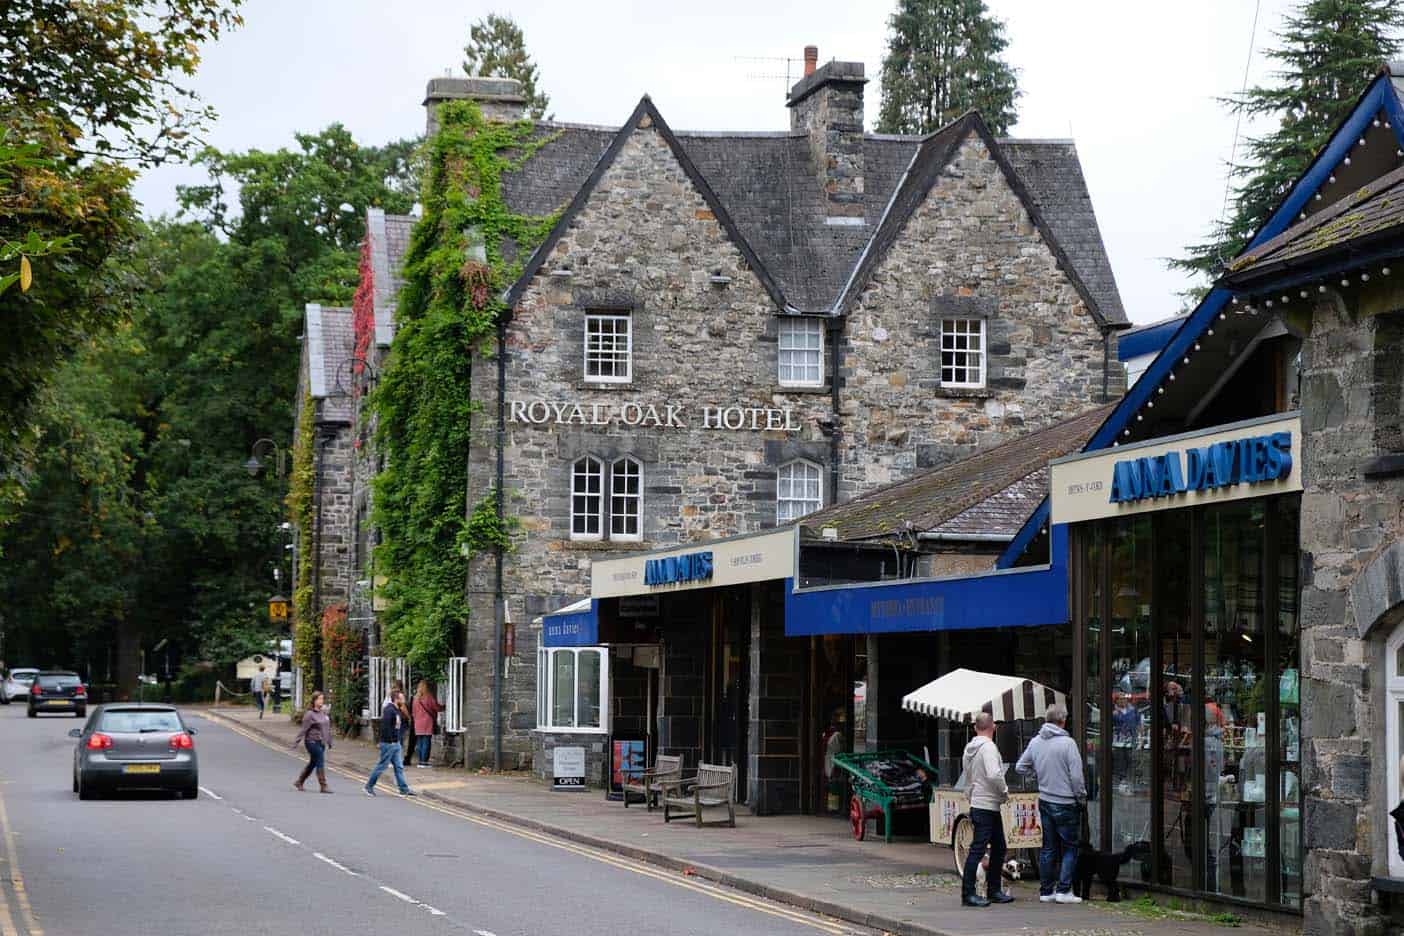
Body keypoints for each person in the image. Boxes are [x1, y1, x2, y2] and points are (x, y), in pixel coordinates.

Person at [1015, 704, 1087, 904]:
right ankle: (1064, 890)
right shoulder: (1068, 743)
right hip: (1065, 802)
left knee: (1048, 848)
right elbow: (1077, 778)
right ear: (1063, 720)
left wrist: (1036, 774)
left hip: (1045, 800)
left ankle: (1046, 891)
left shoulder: (1036, 741)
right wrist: (1081, 797)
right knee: (1070, 847)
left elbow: (1021, 766)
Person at [960, 712, 1013, 908]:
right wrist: (1005, 791)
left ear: (975, 728)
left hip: (979, 802)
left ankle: (993, 890)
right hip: (987, 804)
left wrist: (971, 793)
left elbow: (967, 774)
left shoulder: (969, 748)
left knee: (999, 847)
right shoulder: (989, 748)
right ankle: (969, 894)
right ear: (994, 726)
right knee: (979, 850)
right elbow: (994, 774)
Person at [365, 688, 415, 797]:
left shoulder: (397, 709)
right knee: (382, 766)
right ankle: (369, 786)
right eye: (402, 698)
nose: (404, 700)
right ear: (396, 699)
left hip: (395, 743)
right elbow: (385, 727)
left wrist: (396, 741)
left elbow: (396, 726)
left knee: (399, 766)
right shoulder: (389, 710)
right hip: (389, 744)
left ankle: (404, 789)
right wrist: (391, 741)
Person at [291, 691, 333, 793]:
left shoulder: (323, 713)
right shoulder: (309, 714)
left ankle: (299, 781)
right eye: (319, 699)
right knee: (320, 761)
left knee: (313, 763)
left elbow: (326, 728)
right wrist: (296, 742)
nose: (321, 701)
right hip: (311, 742)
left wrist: (329, 741)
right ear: (314, 701)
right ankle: (323, 785)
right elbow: (303, 729)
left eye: (322, 699)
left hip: (321, 742)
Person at [411, 680, 443, 768]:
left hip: (417, 722)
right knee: (426, 742)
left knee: (420, 742)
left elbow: (413, 712)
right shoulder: (428, 697)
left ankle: (420, 761)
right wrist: (444, 707)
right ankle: (424, 762)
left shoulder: (415, 699)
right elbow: (436, 707)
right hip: (427, 722)